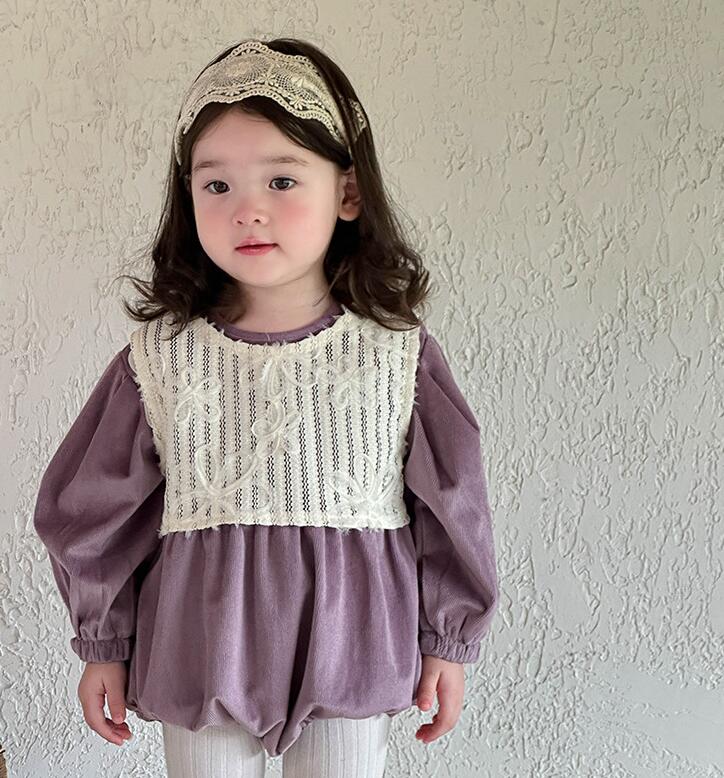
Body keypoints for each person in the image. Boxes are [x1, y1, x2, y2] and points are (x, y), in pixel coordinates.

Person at [32, 37, 499, 778]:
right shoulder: (161, 359)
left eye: (282, 179)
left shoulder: (395, 354)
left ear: (347, 193)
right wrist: (103, 642)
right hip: (202, 654)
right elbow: (91, 510)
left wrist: (449, 639)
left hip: (353, 651)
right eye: (217, 185)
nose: (248, 210)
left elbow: (454, 502)